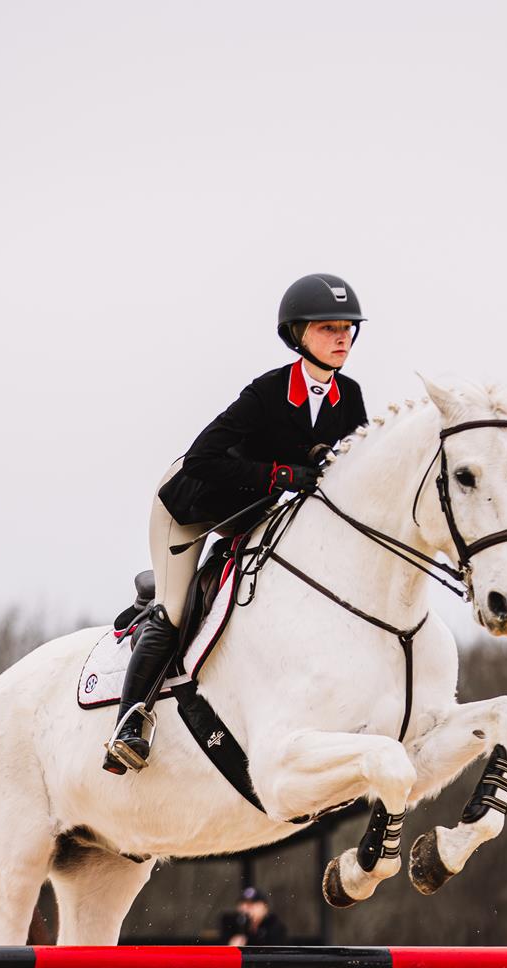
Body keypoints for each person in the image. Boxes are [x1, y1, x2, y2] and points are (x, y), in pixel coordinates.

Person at [104, 273, 371, 773]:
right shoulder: (267, 394)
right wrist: (279, 472)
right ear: (298, 335)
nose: (341, 338)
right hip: (192, 506)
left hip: (257, 511)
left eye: (348, 329)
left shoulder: (349, 398)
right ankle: (129, 724)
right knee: (177, 609)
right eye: (328, 328)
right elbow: (203, 458)